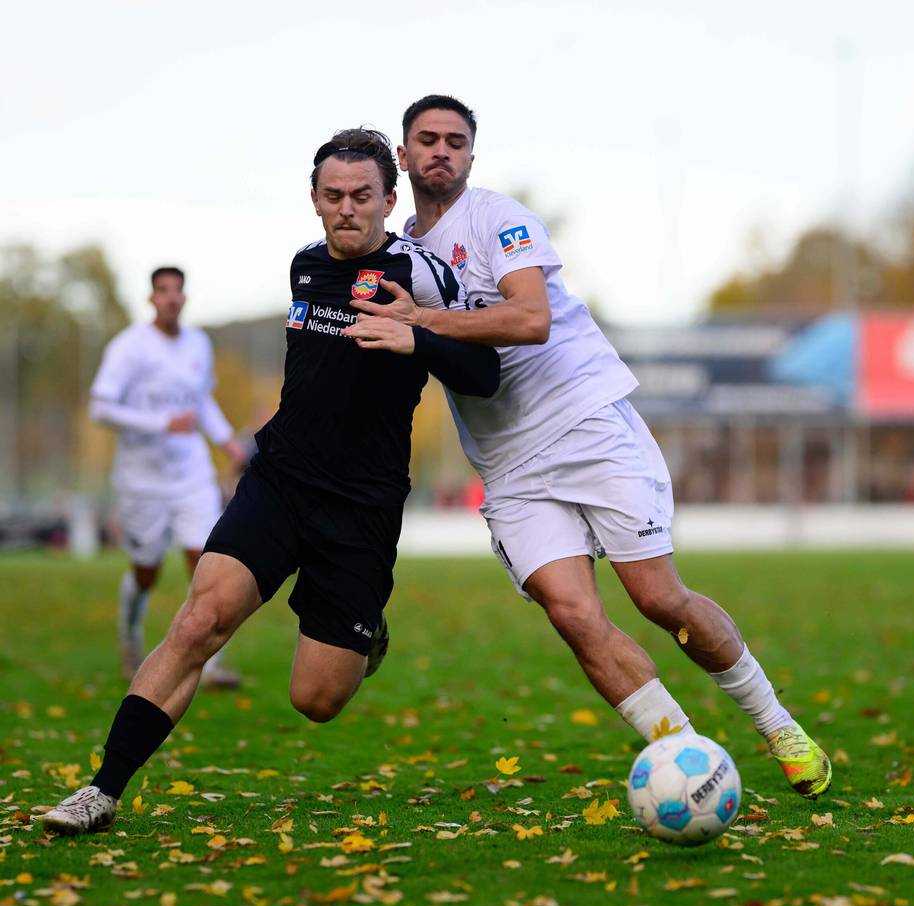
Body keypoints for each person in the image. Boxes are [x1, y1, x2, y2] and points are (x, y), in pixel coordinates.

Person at [347, 95, 832, 800]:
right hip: (509, 463)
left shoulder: (498, 218)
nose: (441, 151)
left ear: (471, 156)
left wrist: (422, 321)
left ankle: (778, 723)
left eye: (455, 140)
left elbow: (532, 318)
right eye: (427, 139)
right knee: (574, 616)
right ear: (404, 154)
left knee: (660, 599)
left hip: (582, 420)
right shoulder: (398, 252)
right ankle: (688, 763)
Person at [41, 129, 500, 835]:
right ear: (315, 199)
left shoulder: (426, 274)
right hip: (280, 480)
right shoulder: (306, 266)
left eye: (362, 197)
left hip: (362, 506)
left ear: (389, 198)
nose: (347, 210)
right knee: (198, 620)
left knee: (315, 699)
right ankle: (101, 790)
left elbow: (486, 373)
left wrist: (422, 338)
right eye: (333, 196)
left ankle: (363, 625)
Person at [89, 267, 245, 687]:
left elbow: (201, 401)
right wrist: (160, 423)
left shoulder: (198, 343)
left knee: (206, 562)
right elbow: (100, 407)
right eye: (163, 291)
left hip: (191, 472)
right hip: (143, 479)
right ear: (152, 298)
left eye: (178, 290)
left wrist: (227, 441)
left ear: (185, 298)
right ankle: (130, 642)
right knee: (146, 571)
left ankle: (208, 665)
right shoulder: (128, 347)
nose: (172, 298)